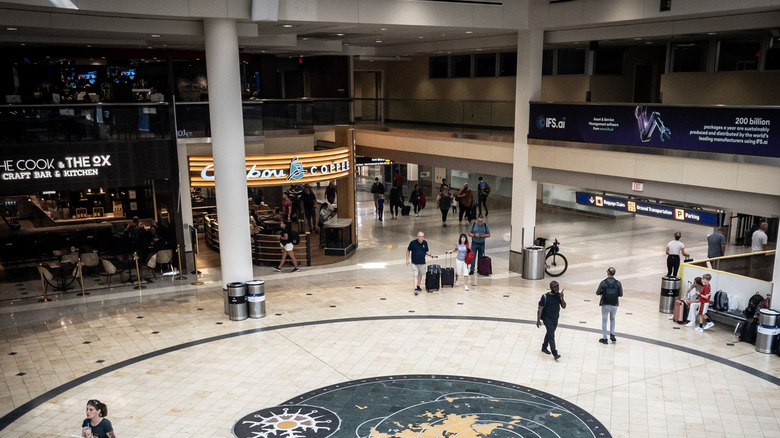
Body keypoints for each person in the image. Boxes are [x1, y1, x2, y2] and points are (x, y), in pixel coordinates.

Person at [537, 280, 566, 361]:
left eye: (557, 286)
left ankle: (544, 347)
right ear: (551, 288)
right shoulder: (545, 297)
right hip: (547, 318)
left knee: (550, 333)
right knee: (551, 335)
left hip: (555, 318)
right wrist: (538, 320)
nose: (556, 288)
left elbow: (564, 306)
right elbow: (540, 308)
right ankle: (555, 353)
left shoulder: (558, 295)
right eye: (554, 287)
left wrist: (562, 298)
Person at [596, 267, 623, 344]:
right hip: (614, 304)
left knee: (604, 320)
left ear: (607, 273)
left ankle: (605, 338)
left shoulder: (603, 282)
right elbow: (621, 294)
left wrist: (602, 292)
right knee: (613, 319)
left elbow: (597, 292)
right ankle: (612, 334)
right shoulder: (618, 283)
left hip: (605, 304)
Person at [406, 231, 437, 295]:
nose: (421, 238)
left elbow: (426, 251)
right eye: (420, 237)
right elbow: (408, 250)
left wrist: (431, 255)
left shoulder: (425, 243)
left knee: (420, 274)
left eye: (422, 237)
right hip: (414, 262)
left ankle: (418, 285)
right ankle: (415, 288)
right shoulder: (413, 243)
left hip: (422, 262)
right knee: (415, 275)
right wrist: (407, 259)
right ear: (417, 237)